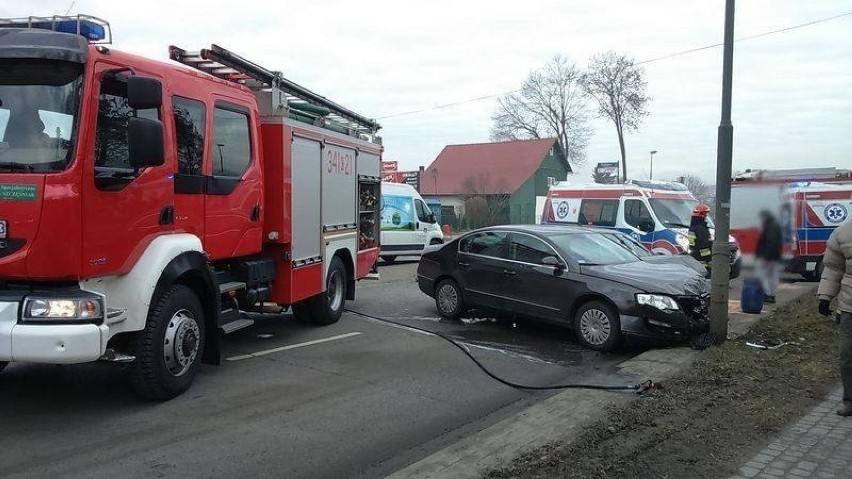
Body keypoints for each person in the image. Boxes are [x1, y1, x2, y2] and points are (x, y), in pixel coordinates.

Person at [817, 218, 852, 417]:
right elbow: (833, 268)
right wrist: (825, 297)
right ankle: (849, 400)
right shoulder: (843, 233)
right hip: (849, 307)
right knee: (847, 357)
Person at [755, 210, 784, 303]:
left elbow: (769, 242)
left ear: (765, 217)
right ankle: (772, 295)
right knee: (774, 276)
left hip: (768, 256)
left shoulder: (769, 226)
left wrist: (766, 257)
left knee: (764, 276)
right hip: (776, 256)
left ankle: (767, 294)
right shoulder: (776, 225)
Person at [688, 204, 712, 274]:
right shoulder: (701, 229)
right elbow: (703, 247)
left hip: (695, 258)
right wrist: (709, 260)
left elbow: (694, 244)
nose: (706, 216)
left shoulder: (693, 227)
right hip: (703, 261)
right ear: (702, 215)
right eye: (705, 214)